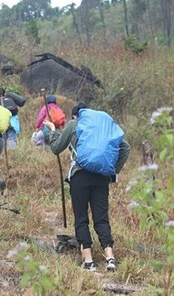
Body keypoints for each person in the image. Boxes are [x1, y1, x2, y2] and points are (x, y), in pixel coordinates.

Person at [43, 103, 130, 272]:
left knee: (81, 217)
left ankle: (89, 261)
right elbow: (125, 148)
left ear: (76, 115)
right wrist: (112, 171)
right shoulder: (103, 128)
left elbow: (56, 148)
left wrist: (53, 130)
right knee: (101, 218)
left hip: (80, 176)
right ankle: (110, 258)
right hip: (102, 178)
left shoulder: (75, 124)